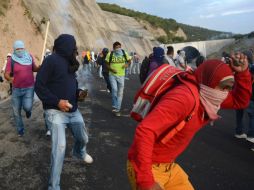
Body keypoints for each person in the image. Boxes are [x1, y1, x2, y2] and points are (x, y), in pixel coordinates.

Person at [127, 53, 251, 190]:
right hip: (148, 166)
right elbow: (146, 130)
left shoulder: (208, 95)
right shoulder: (185, 98)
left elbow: (240, 101)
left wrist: (243, 73)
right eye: (224, 87)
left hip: (168, 166)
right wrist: (146, 181)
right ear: (210, 81)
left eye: (229, 88)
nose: (226, 93)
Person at [35, 34, 93, 190]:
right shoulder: (51, 60)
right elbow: (39, 86)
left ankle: (79, 152)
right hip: (55, 112)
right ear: (66, 46)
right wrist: (57, 102)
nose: (74, 50)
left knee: (83, 138)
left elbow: (68, 84)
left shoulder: (70, 62)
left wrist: (79, 93)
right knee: (59, 148)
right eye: (72, 46)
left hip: (73, 111)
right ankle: (54, 186)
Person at [4, 40, 40, 136]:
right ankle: (20, 129)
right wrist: (10, 79)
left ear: (24, 48)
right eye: (17, 49)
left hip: (29, 88)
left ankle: (28, 111)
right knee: (16, 111)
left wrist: (40, 67)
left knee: (27, 107)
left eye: (21, 48)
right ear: (14, 50)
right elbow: (6, 74)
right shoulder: (11, 60)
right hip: (16, 89)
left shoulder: (29, 57)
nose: (20, 50)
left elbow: (34, 68)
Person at [105, 41, 131, 116]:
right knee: (114, 89)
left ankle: (117, 109)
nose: (118, 49)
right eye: (117, 48)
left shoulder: (124, 53)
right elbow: (106, 64)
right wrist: (111, 69)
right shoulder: (110, 54)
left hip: (121, 75)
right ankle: (115, 105)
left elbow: (129, 61)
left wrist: (127, 65)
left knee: (120, 93)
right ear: (113, 48)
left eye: (119, 47)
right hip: (112, 75)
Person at [234, 50, 254, 142]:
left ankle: (239, 132)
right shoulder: (251, 68)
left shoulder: (237, 67)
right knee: (252, 116)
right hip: (250, 96)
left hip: (238, 94)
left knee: (239, 114)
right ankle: (251, 135)